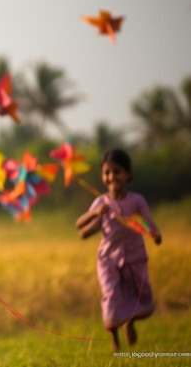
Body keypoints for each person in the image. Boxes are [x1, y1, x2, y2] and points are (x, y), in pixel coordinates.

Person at [75, 148, 162, 351]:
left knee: (139, 293)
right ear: (102, 176)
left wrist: (156, 235)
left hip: (134, 256)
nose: (112, 176)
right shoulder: (101, 202)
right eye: (107, 172)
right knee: (112, 295)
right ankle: (114, 337)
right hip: (108, 260)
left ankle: (129, 323)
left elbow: (148, 224)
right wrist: (96, 214)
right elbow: (80, 226)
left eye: (117, 171)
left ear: (128, 174)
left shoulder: (136, 201)